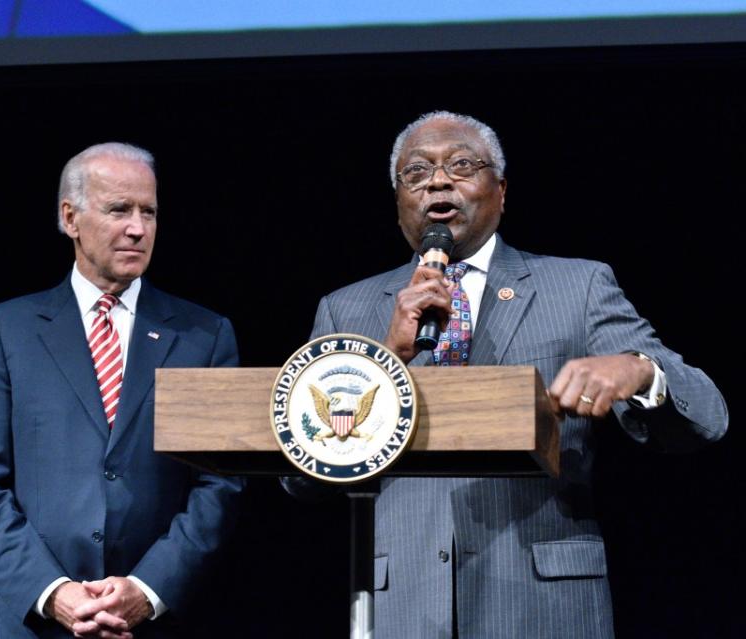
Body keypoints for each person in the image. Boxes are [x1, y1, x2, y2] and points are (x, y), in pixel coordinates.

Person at [296, 111, 727, 638]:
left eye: (461, 164)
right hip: (401, 606)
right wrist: (387, 355)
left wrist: (640, 372)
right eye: (416, 172)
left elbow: (706, 417)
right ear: (398, 200)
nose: (437, 180)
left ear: (500, 191)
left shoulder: (579, 286)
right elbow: (301, 477)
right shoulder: (348, 310)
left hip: (541, 605)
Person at [0, 143, 243, 638]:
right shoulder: (7, 330)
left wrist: (148, 588)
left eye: (149, 212)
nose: (138, 227)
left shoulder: (204, 334)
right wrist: (52, 592)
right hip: (38, 623)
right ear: (71, 218)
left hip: (157, 621)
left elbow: (220, 485)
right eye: (119, 210)